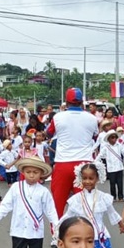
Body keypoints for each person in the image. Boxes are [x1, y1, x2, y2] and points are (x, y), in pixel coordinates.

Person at [59, 163, 124, 248]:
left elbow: (112, 212)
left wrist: (121, 224)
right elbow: (68, 216)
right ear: (80, 179)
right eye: (84, 178)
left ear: (97, 178)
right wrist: (58, 230)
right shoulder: (76, 199)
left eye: (91, 178)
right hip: (83, 238)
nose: (87, 181)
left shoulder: (103, 197)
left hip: (101, 237)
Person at [46, 88, 99, 219]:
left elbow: (49, 133)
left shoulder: (58, 117)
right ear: (82, 102)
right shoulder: (92, 118)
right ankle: (85, 235)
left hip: (63, 163)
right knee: (85, 204)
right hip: (84, 164)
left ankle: (57, 236)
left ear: (66, 102)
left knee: (58, 204)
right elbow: (95, 136)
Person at [95, 130, 124, 201]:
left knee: (120, 183)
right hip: (111, 168)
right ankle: (113, 197)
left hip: (119, 167)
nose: (114, 139)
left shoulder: (119, 146)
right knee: (112, 184)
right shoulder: (106, 147)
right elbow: (100, 156)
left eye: (115, 137)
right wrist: (94, 163)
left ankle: (121, 197)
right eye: (112, 137)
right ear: (108, 139)